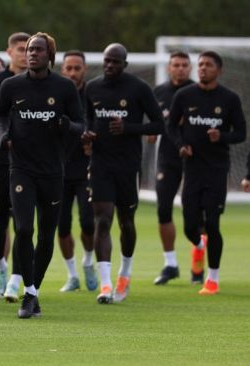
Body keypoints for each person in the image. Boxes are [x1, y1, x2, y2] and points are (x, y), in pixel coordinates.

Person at [0, 33, 84, 318]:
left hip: (52, 172)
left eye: (38, 50)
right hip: (21, 169)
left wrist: (65, 124)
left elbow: (80, 125)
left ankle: (32, 293)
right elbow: (0, 115)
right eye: (30, 49)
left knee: (47, 235)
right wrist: (3, 134)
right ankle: (28, 292)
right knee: (23, 229)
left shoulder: (64, 87)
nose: (32, 53)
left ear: (50, 55)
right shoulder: (11, 85)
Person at [82, 43, 163, 304]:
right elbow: (84, 119)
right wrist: (87, 133)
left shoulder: (138, 89)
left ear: (124, 64)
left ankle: (124, 274)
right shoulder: (92, 88)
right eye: (107, 61)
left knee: (126, 222)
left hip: (128, 166)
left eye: (115, 62)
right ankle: (105, 286)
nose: (110, 66)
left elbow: (159, 124)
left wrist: (129, 128)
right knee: (102, 220)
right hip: (101, 164)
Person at [166, 51, 246, 295]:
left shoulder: (229, 99)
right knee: (191, 226)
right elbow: (171, 126)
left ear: (218, 70)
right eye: (200, 64)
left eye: (208, 65)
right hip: (192, 169)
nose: (202, 68)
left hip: (217, 170)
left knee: (212, 223)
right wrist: (181, 146)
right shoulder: (184, 95)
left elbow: (241, 133)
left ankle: (212, 279)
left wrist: (221, 136)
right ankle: (198, 246)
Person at [0, 32, 30, 301]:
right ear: (9, 52)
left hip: (29, 165)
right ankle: (0, 269)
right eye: (21, 49)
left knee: (24, 225)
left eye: (29, 49)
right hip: (0, 163)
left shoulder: (38, 82)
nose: (25, 54)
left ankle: (16, 280)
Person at [147, 51, 197, 285]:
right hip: (167, 158)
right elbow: (153, 122)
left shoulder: (198, 93)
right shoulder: (159, 92)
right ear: (168, 68)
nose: (180, 68)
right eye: (175, 64)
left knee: (196, 215)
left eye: (184, 65)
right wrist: (150, 132)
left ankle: (198, 265)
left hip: (196, 160)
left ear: (190, 68)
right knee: (163, 209)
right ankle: (171, 264)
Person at [57, 50, 97, 292]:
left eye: (77, 68)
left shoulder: (93, 95)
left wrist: (94, 143)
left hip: (87, 171)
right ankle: (72, 275)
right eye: (68, 68)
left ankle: (89, 262)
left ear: (85, 69)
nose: (72, 72)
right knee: (62, 225)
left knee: (88, 222)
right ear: (62, 70)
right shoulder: (56, 93)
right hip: (59, 170)